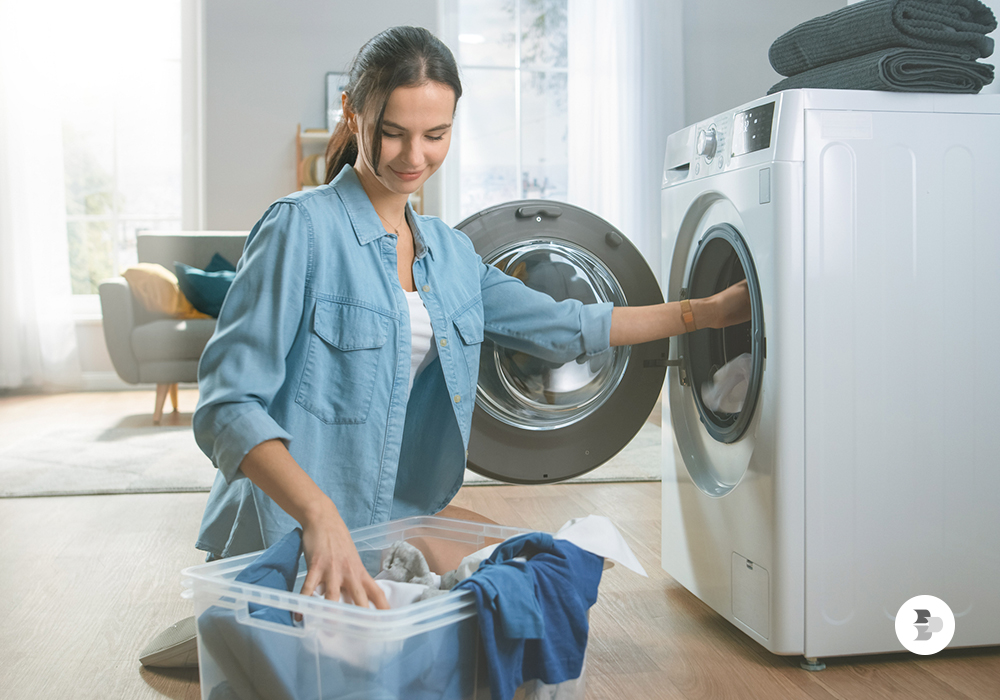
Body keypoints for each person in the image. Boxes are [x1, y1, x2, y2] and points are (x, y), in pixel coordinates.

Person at [193, 26, 751, 613]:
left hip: (389, 520)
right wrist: (318, 514)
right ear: (351, 114)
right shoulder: (300, 229)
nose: (414, 157)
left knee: (546, 572)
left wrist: (707, 313)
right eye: (393, 133)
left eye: (436, 135)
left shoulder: (451, 256)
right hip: (289, 530)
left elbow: (570, 325)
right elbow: (227, 406)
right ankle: (235, 620)